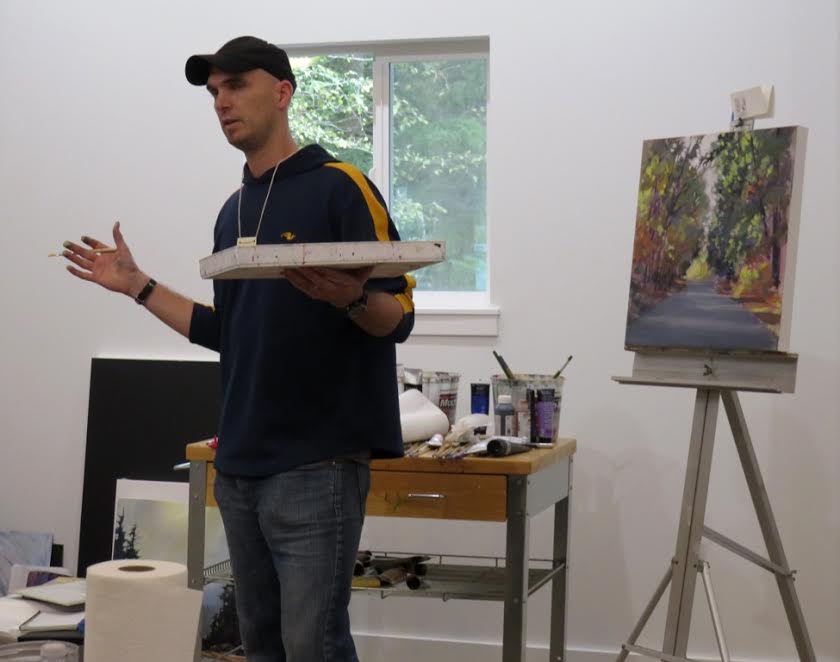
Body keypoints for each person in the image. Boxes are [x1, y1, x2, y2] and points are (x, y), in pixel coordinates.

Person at [61, 35, 414, 662]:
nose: (222, 102)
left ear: (282, 92)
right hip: (241, 466)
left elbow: (398, 317)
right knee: (261, 646)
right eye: (214, 92)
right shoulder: (234, 213)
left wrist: (350, 298)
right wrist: (138, 286)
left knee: (314, 644)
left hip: (317, 464)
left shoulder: (341, 187)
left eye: (237, 85)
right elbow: (227, 333)